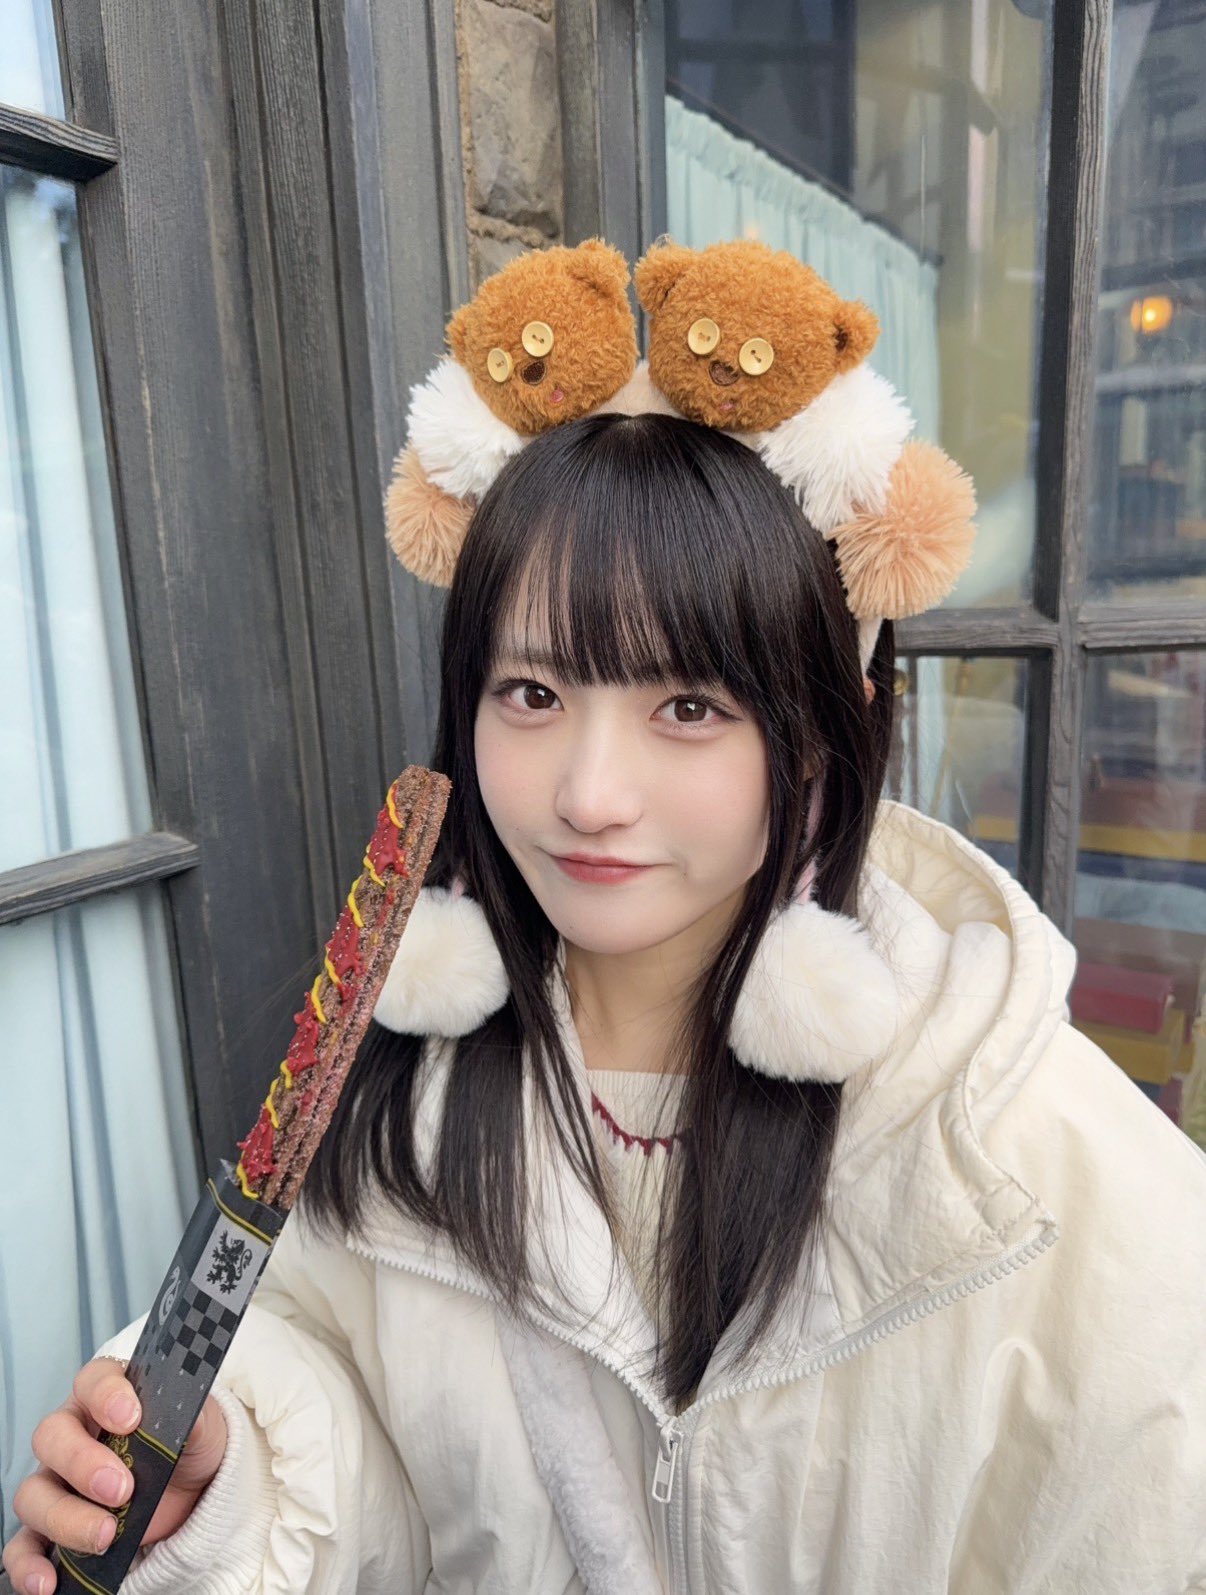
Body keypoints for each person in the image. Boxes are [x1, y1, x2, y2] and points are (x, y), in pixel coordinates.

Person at [6, 412, 1206, 1595]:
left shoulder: (1005, 1149)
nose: (588, 794)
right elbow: (357, 1421)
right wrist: (227, 1484)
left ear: (815, 734)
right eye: (531, 691)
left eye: (687, 706)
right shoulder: (406, 1085)